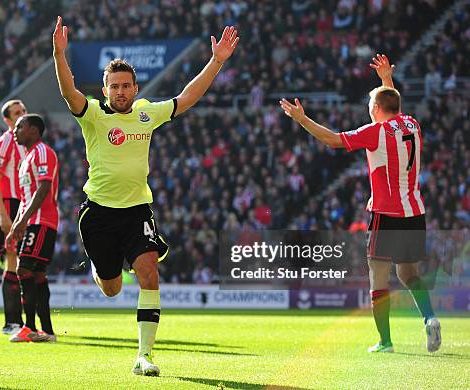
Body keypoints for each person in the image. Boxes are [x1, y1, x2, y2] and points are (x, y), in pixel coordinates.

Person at [52, 16, 239, 376]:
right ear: (105, 90)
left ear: (136, 88)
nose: (120, 92)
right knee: (111, 288)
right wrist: (60, 55)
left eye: (126, 86)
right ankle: (100, 269)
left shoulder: (146, 114)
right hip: (99, 214)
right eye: (114, 86)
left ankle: (144, 356)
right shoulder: (92, 115)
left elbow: (186, 99)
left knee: (149, 273)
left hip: (137, 209)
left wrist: (216, 61)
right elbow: (68, 93)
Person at [279, 54, 440, 353]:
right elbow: (394, 106)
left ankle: (386, 341)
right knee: (408, 274)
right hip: (415, 211)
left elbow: (332, 140)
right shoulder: (412, 124)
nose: (368, 112)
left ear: (377, 109)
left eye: (370, 107)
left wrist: (302, 120)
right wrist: (385, 81)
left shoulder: (376, 132)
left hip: (386, 214)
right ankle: (429, 317)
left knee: (378, 277)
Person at [6, 114, 59, 343]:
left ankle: (29, 327)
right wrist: (15, 226)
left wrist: (24, 220)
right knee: (36, 274)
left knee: (23, 270)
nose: (15, 130)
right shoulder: (25, 160)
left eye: (20, 126)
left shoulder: (43, 152)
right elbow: (24, 199)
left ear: (34, 130)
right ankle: (46, 331)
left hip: (42, 221)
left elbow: (45, 188)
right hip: (31, 221)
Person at [0, 99, 27, 334]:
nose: (22, 114)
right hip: (12, 206)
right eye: (17, 113)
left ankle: (26, 321)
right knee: (13, 262)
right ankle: (11, 322)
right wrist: (3, 214)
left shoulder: (29, 142)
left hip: (28, 206)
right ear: (7, 120)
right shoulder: (4, 143)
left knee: (27, 263)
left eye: (23, 110)